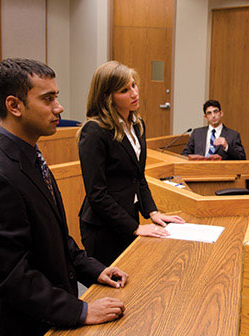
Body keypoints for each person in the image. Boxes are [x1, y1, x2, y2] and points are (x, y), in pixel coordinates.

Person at [0, 58, 128, 336]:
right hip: (20, 325)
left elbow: (53, 237)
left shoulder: (29, 156)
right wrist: (80, 310)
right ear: (14, 105)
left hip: (47, 314)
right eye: (48, 99)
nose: (59, 108)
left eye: (56, 97)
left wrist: (93, 270)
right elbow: (11, 277)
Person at [78, 61, 185, 266]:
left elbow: (138, 176)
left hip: (128, 217)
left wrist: (153, 212)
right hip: (103, 228)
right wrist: (134, 228)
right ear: (108, 97)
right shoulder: (94, 132)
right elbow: (97, 194)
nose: (134, 93)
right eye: (124, 90)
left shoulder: (137, 124)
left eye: (134, 85)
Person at [181, 99, 246, 160]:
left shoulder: (233, 135)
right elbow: (184, 154)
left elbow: (242, 158)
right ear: (205, 117)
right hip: (199, 169)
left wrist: (227, 146)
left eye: (215, 112)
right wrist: (195, 159)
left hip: (221, 170)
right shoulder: (197, 133)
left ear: (221, 113)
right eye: (209, 113)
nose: (213, 115)